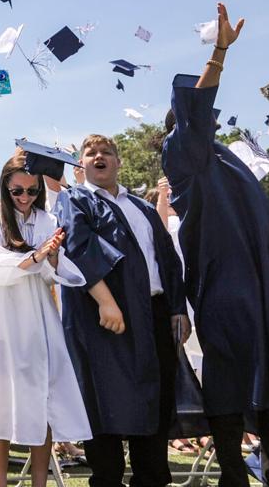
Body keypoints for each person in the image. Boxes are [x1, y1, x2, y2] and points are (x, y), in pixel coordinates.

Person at [161, 2, 269, 487]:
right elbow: (195, 117)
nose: (212, 125)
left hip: (264, 292)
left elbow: (265, 231)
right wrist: (219, 51)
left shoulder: (230, 164)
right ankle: (231, 476)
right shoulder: (183, 158)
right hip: (223, 289)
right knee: (230, 380)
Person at [55, 133, 187, 487]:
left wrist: (177, 308)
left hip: (154, 314)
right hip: (103, 317)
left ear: (118, 161)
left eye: (106, 152)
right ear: (80, 164)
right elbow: (79, 247)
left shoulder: (143, 207)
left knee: (155, 402)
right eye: (90, 152)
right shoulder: (74, 200)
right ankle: (107, 479)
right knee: (103, 402)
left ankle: (152, 479)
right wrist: (106, 301)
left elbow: (168, 261)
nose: (99, 156)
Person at [0, 152, 92, 487]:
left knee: (44, 397)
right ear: (5, 188)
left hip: (38, 317)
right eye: (17, 191)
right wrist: (36, 257)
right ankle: (0, 481)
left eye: (31, 191)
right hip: (0, 317)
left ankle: (40, 481)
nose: (25, 198)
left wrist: (52, 257)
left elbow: (56, 273)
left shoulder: (46, 219)